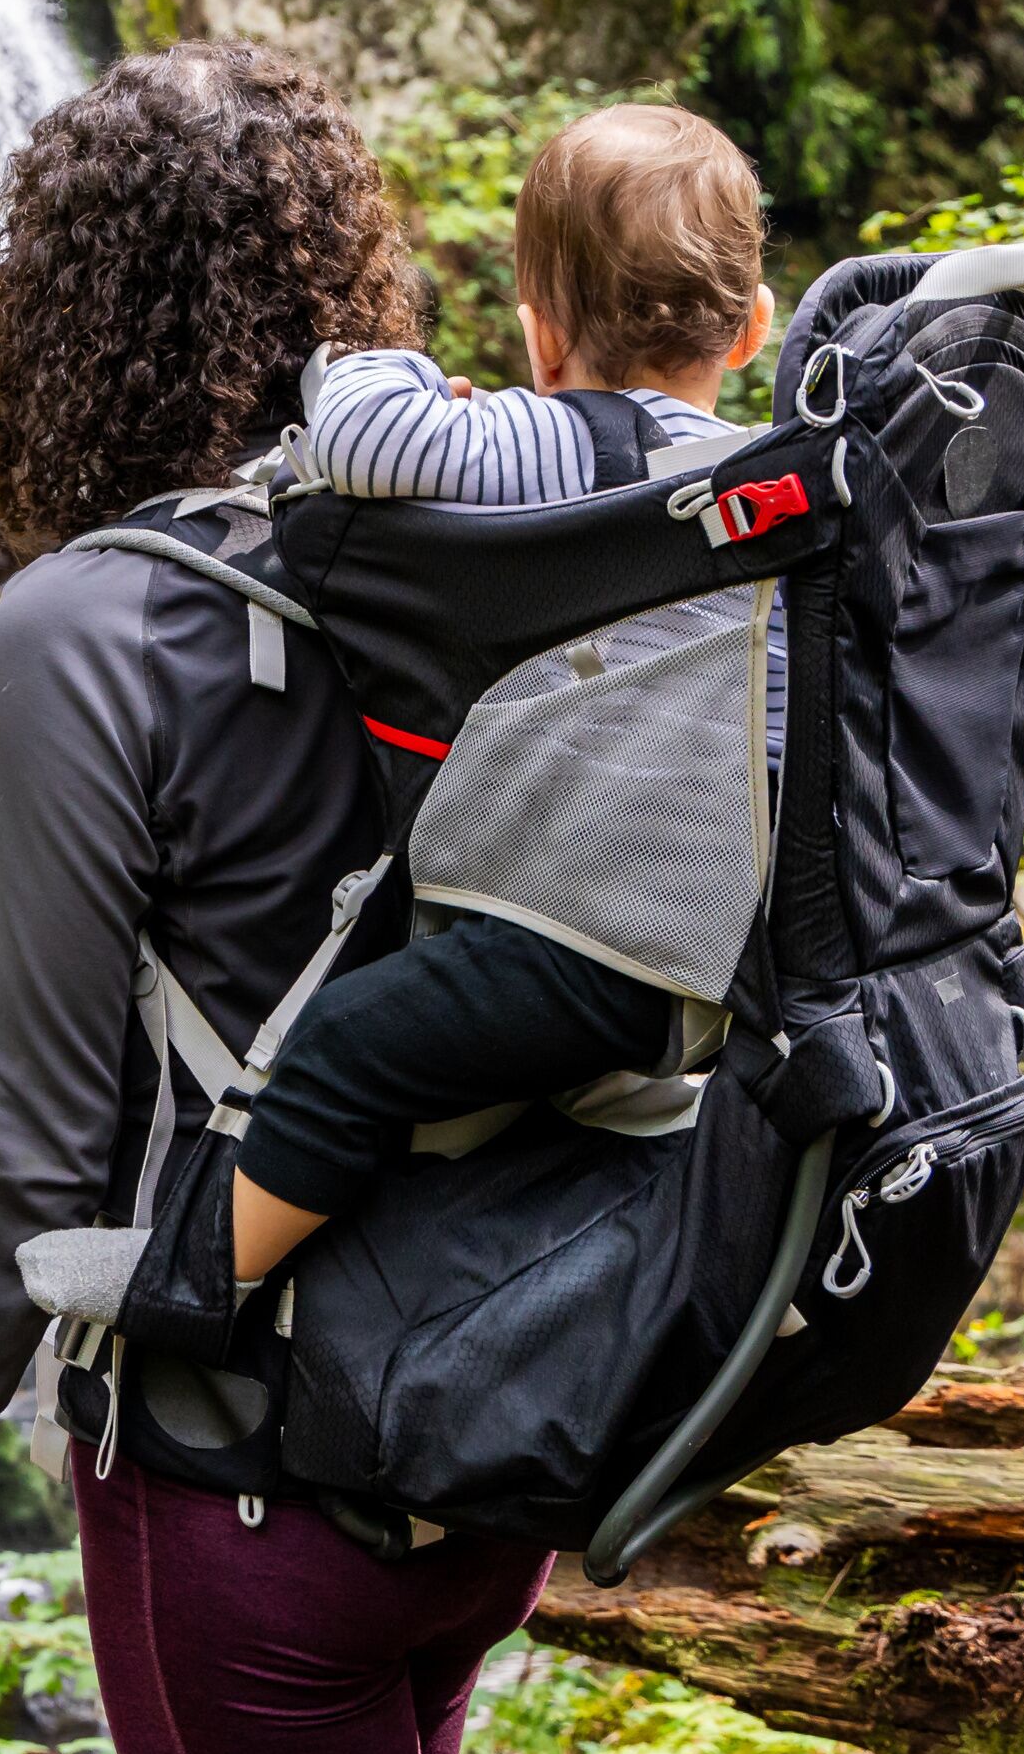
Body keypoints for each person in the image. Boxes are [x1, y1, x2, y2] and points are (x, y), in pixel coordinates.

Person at [0, 44, 553, 1754]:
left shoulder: (87, 622)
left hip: (234, 1475)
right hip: (490, 1423)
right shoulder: (480, 562)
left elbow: (24, 1143)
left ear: (62, 314)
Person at [221, 100, 779, 1289]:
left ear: (539, 335)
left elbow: (366, 435)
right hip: (756, 951)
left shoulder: (552, 449)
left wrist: (380, 364)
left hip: (587, 945)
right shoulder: (788, 488)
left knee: (346, 1051)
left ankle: (199, 1285)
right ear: (751, 332)